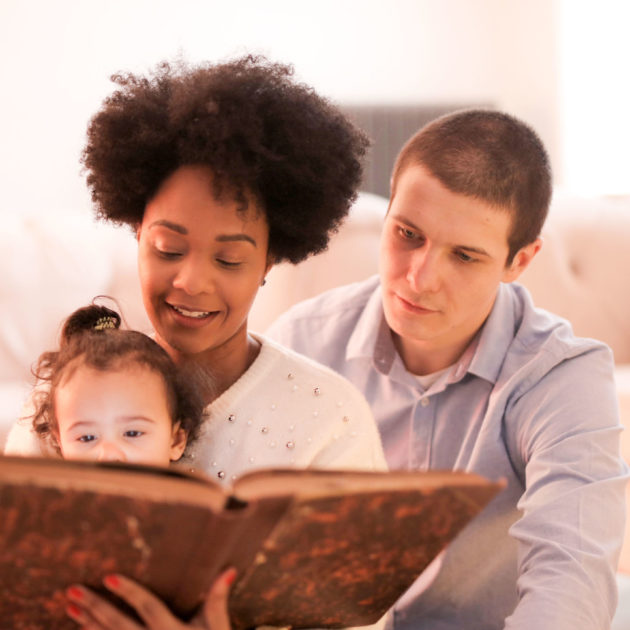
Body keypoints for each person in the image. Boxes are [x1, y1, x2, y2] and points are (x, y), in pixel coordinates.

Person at [4, 55, 387, 628]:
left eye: (229, 258)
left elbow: (360, 617)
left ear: (270, 260)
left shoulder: (329, 421)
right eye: (167, 249)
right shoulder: (64, 406)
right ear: (135, 234)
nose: (191, 282)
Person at [267, 109, 629, 629]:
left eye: (464, 256)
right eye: (408, 234)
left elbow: (570, 579)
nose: (420, 277)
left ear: (519, 261)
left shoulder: (563, 376)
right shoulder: (302, 343)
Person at [29, 302, 204, 466]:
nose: (109, 456)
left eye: (132, 433)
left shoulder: (188, 498)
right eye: (87, 438)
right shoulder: (47, 498)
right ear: (60, 443)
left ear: (176, 440)